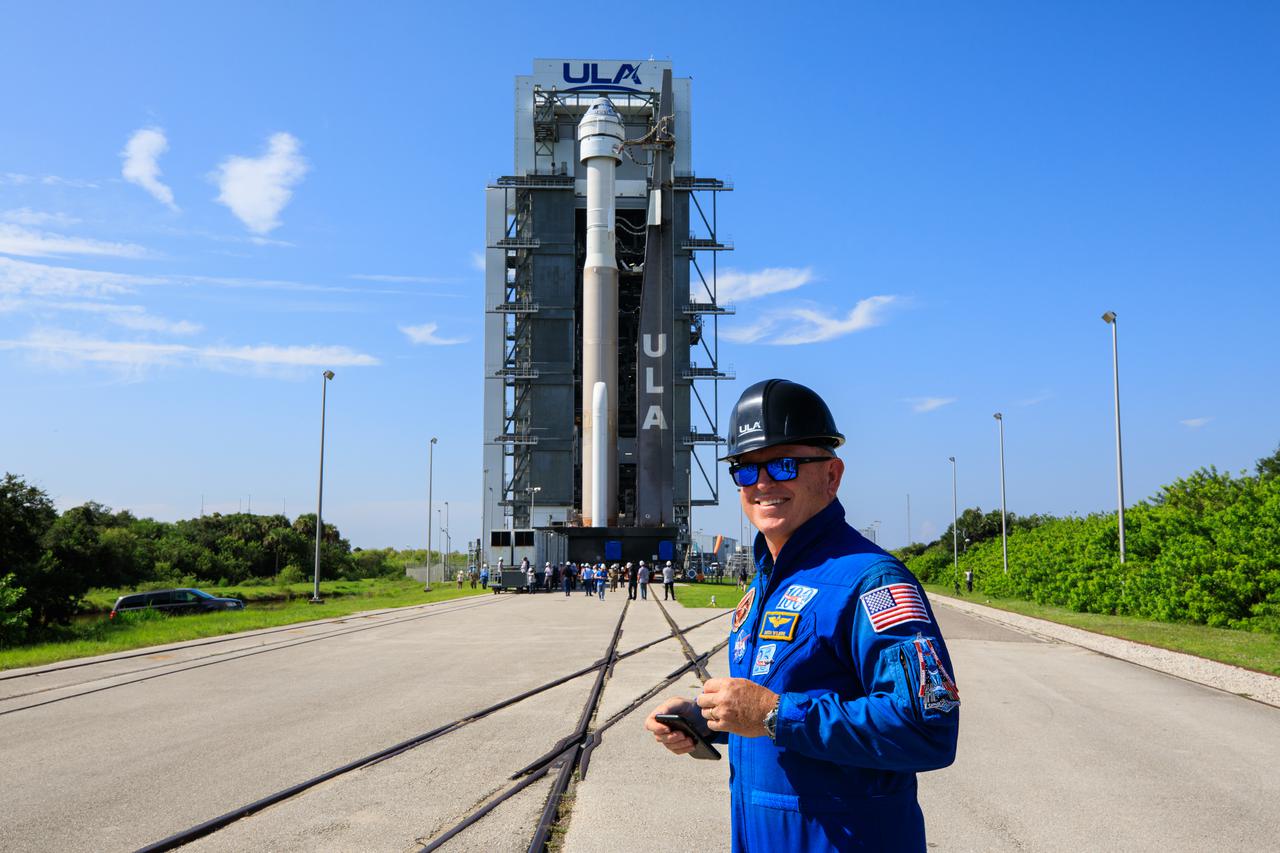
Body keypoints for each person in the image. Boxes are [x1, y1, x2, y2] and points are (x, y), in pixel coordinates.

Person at [644, 378, 959, 852]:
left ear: (831, 475)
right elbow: (779, 707)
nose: (763, 483)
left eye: (784, 464)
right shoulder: (764, 584)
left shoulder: (872, 581)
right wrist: (706, 718)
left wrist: (773, 714)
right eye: (746, 470)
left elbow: (926, 726)